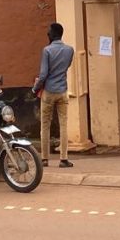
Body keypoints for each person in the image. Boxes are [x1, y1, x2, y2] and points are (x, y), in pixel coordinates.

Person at [32, 22, 75, 169]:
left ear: (52, 34)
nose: (47, 34)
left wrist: (34, 89)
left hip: (49, 92)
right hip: (63, 91)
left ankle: (44, 159)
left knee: (45, 125)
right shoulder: (70, 50)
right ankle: (64, 159)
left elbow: (43, 74)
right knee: (64, 125)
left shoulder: (47, 51)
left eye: (48, 32)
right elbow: (66, 67)